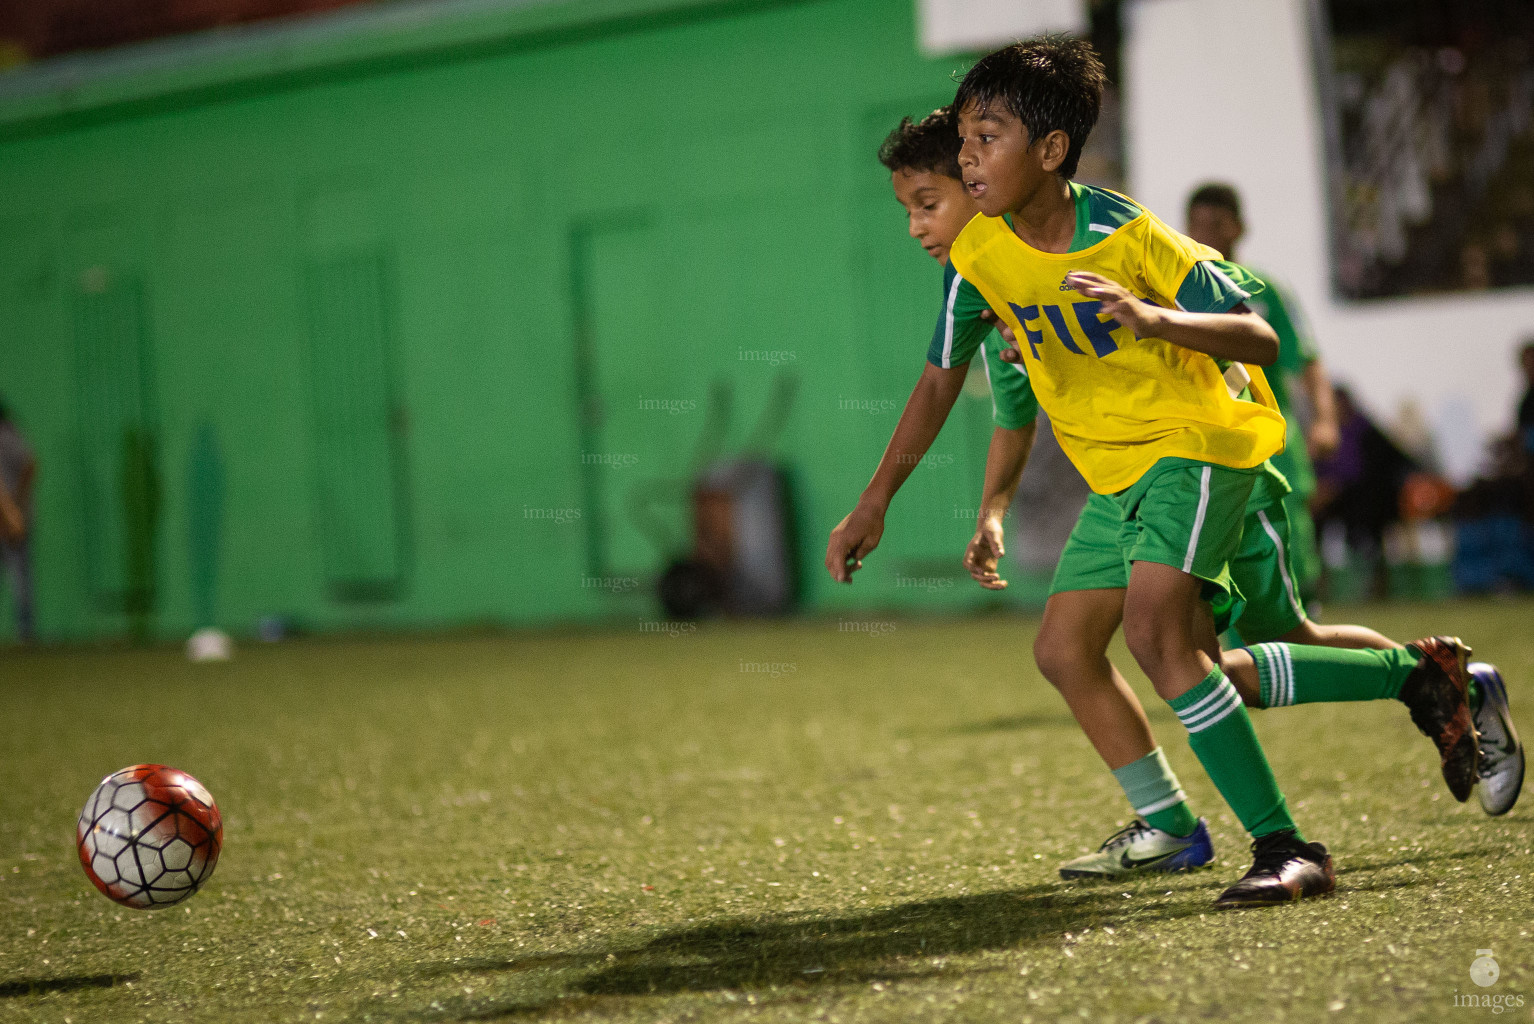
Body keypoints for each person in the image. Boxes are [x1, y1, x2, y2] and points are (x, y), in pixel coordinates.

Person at [828, 39, 1481, 908]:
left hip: (1200, 448)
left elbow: (1260, 337)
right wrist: (874, 502)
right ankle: (1182, 817)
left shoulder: (1130, 235)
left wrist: (1153, 316)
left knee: (1163, 642)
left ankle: (1289, 848)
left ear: (1051, 151)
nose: (968, 157)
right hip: (1123, 478)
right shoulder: (979, 256)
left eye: (986, 137)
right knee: (1067, 649)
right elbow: (939, 383)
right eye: (966, 141)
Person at [1185, 182, 1336, 608]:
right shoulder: (1177, 294)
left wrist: (1324, 419)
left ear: (1239, 228)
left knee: (1294, 565)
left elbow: (1307, 361)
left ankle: (1305, 649)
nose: (1205, 234)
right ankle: (1241, 668)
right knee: (1225, 574)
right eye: (1196, 225)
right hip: (1211, 450)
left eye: (1215, 224)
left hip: (1273, 447)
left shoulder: (1265, 291)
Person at [0, 399, 36, 642]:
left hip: (11, 517)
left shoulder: (6, 435)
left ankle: (26, 634)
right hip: (10, 515)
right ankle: (26, 634)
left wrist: (15, 510)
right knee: (19, 575)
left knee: (19, 575)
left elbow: (30, 464)